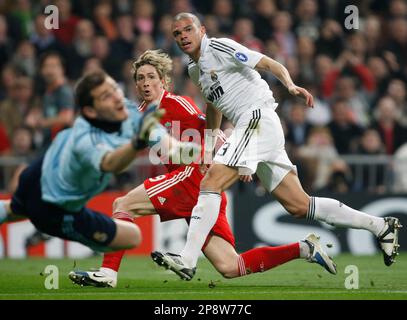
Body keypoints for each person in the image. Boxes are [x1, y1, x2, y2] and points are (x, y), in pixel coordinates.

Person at [152, 13, 402, 281]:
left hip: (257, 117)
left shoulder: (220, 47)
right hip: (254, 129)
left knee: (211, 181)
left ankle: (188, 259)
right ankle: (380, 226)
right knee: (299, 204)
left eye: (188, 29)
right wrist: (212, 142)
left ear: (201, 29)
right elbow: (214, 103)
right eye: (177, 34)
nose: (183, 37)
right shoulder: (194, 68)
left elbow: (269, 63)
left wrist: (291, 85)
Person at [68, 50, 336, 288]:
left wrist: (244, 157)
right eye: (140, 78)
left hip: (194, 176)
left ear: (163, 80)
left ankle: (108, 273)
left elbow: (215, 128)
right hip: (198, 192)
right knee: (230, 266)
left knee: (123, 204)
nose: (146, 82)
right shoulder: (139, 115)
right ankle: (305, 249)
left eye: (151, 76)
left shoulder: (176, 104)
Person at [0, 70, 190, 252]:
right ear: (90, 111)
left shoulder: (125, 108)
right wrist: (136, 143)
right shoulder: (85, 138)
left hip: (41, 172)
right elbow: (109, 163)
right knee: (132, 237)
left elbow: (160, 137)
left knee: (14, 209)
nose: (116, 97)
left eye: (115, 88)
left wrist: (182, 150)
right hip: (52, 207)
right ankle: (47, 229)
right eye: (105, 96)